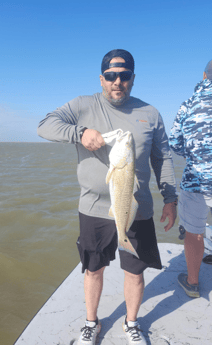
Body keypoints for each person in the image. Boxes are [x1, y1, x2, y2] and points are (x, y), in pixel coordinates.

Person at [37, 49, 177, 345]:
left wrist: (170, 198)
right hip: (93, 208)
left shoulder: (150, 113)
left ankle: (131, 323)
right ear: (101, 79)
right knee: (93, 269)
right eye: (111, 76)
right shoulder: (82, 105)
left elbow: (163, 158)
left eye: (124, 76)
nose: (118, 82)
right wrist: (80, 132)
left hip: (136, 209)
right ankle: (91, 322)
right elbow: (45, 125)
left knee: (135, 272)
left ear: (133, 79)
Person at [169, 60, 212, 298]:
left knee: (195, 231)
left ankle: (192, 283)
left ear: (204, 76)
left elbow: (175, 142)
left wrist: (197, 157)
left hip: (195, 180)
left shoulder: (188, 105)